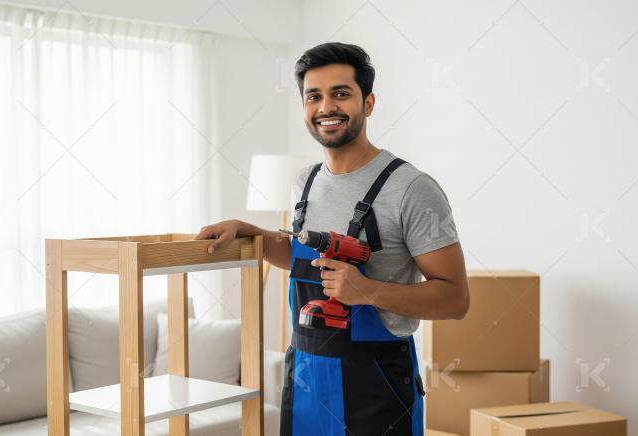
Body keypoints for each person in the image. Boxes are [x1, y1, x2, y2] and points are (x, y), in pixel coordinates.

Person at [194, 42, 469, 436]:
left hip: (375, 385)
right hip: (306, 374)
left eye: (341, 93)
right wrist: (248, 230)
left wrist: (368, 291)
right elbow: (301, 256)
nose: (326, 107)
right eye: (314, 96)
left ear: (368, 103)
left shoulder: (411, 188)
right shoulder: (303, 182)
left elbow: (456, 299)